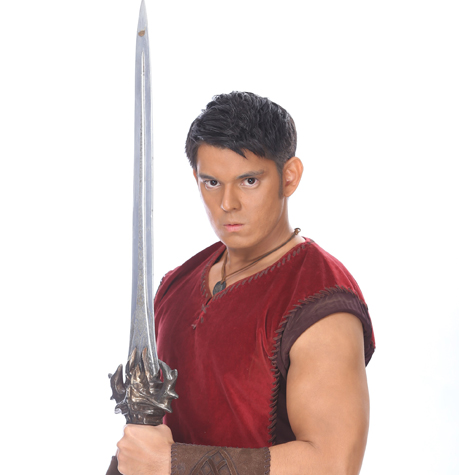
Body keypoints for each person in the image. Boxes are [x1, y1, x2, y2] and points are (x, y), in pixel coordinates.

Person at [107, 91, 375, 475]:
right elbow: (147, 444)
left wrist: (172, 462)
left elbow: (332, 463)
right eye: (212, 182)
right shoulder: (176, 285)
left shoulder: (319, 299)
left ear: (289, 176)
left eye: (249, 181)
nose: (227, 203)